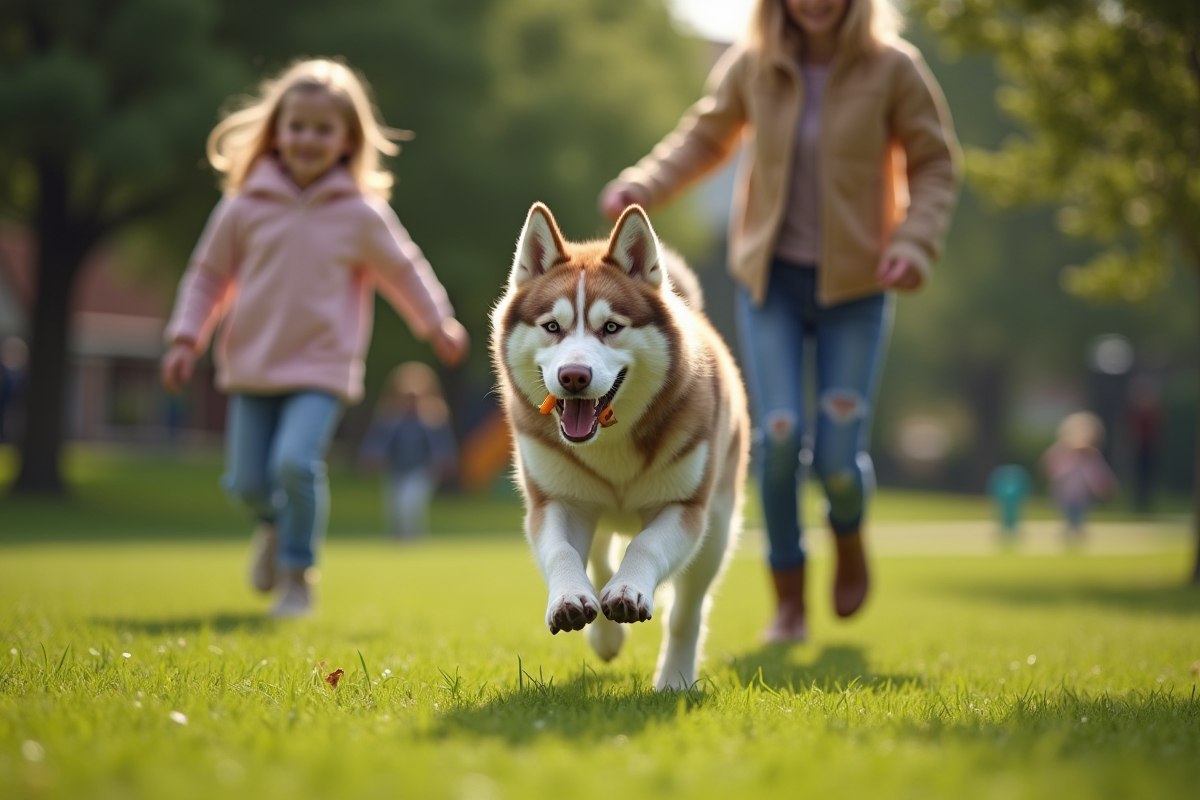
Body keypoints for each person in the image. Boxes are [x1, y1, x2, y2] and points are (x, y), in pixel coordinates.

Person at [599, 0, 959, 642]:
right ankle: (788, 599)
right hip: (772, 285)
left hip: (859, 286)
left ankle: (848, 530)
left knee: (841, 460)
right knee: (780, 436)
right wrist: (643, 185)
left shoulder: (894, 69)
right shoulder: (755, 65)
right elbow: (704, 137)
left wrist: (913, 242)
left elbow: (934, 163)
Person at [160, 58, 469, 617]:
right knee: (246, 483)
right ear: (275, 131)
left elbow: (404, 270)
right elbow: (207, 275)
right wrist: (186, 338)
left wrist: (437, 322)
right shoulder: (242, 207)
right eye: (296, 125)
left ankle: (298, 575)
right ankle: (272, 528)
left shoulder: (361, 215)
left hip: (322, 367)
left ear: (347, 140)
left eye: (322, 129)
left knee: (295, 464)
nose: (307, 138)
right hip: (252, 363)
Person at [359, 362, 457, 541]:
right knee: (394, 508)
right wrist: (372, 456)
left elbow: (441, 444)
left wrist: (444, 461)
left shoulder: (432, 417)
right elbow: (379, 441)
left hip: (421, 470)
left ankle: (412, 540)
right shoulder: (391, 416)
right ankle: (399, 544)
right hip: (396, 470)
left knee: (409, 504)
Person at [1041, 411, 1117, 545]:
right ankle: (1070, 532)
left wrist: (1104, 487)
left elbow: (1098, 474)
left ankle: (1076, 532)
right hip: (1065, 494)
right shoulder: (1062, 452)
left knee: (1079, 514)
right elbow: (1050, 467)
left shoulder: (1091, 456)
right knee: (1069, 514)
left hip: (1082, 495)